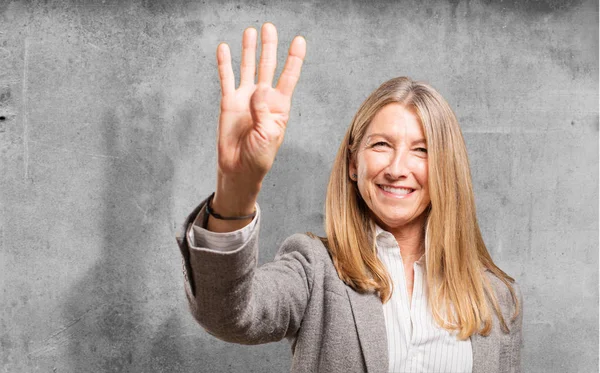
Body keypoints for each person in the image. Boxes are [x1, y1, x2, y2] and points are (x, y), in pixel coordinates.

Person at [175, 23, 523, 373]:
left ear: (446, 169)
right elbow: (228, 314)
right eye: (381, 144)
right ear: (353, 163)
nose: (397, 168)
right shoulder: (315, 269)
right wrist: (237, 191)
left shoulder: (497, 298)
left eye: (422, 150)